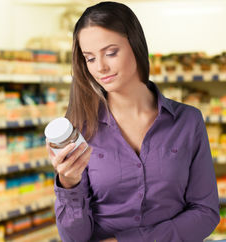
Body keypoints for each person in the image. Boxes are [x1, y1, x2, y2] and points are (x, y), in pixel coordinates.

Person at [46, 1, 220, 242]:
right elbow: (74, 238)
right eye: (90, 58)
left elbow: (206, 213)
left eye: (110, 52)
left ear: (136, 45)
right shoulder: (80, 128)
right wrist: (68, 183)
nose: (101, 67)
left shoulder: (187, 121)